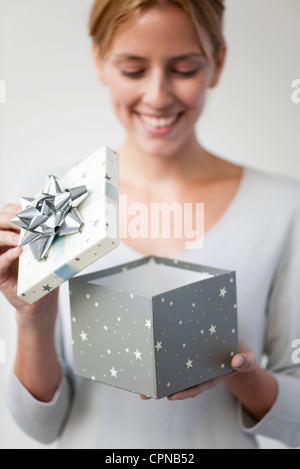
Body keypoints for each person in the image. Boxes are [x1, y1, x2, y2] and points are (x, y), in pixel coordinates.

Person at [1, 0, 300, 449]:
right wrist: (33, 317)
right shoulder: (56, 202)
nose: (158, 96)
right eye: (134, 70)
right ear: (99, 60)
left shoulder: (282, 206)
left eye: (183, 69)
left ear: (217, 63)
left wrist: (236, 370)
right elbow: (42, 427)